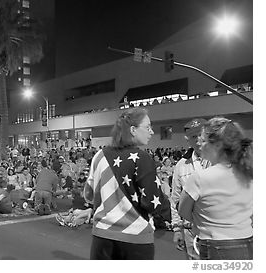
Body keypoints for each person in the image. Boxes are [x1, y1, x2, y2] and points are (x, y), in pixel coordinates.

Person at [84, 108, 171, 260]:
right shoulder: (142, 158)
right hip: (135, 238)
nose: (152, 132)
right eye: (148, 127)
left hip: (102, 236)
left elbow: (88, 195)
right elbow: (152, 203)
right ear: (133, 130)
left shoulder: (99, 155)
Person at [178, 118, 253, 260]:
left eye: (204, 140)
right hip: (248, 241)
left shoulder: (200, 177)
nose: (200, 143)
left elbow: (184, 211)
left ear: (217, 145)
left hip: (215, 245)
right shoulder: (249, 173)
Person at [171, 118, 210, 259]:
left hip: (215, 228)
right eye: (194, 136)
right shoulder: (181, 165)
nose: (199, 140)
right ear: (188, 139)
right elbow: (175, 198)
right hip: (190, 230)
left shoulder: (220, 159)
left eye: (202, 135)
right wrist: (176, 229)